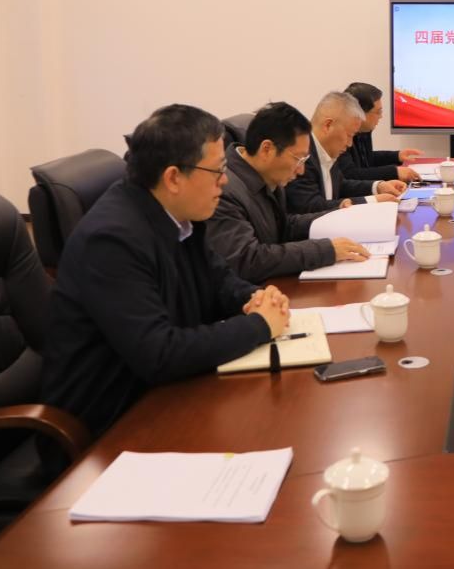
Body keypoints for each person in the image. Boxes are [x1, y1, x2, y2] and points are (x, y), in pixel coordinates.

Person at [42, 104, 288, 437]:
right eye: (217, 170)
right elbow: (159, 353)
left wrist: (255, 297)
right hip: (114, 424)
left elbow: (218, 280)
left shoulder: (179, 214)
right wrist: (259, 325)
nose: (225, 180)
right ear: (173, 178)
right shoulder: (110, 241)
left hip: (168, 394)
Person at [208, 101, 370, 281]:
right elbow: (248, 259)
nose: (301, 170)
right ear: (267, 149)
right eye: (298, 159)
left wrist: (335, 216)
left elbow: (285, 227)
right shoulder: (222, 191)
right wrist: (325, 250)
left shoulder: (268, 177)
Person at [287, 91, 405, 213]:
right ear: (328, 125)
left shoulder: (327, 150)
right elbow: (311, 207)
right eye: (349, 135)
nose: (350, 144)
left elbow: (341, 186)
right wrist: (372, 200)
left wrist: (378, 187)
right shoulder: (301, 156)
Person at [341, 81, 423, 182]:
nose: (381, 116)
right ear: (360, 113)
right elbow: (350, 174)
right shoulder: (340, 135)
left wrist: (397, 156)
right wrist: (394, 172)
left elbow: (367, 160)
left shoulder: (364, 130)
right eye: (378, 112)